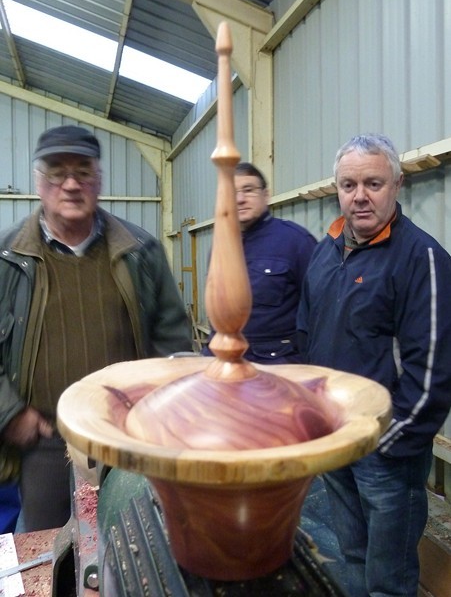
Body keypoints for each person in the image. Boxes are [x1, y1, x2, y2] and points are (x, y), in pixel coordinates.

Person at [0, 125, 192, 532]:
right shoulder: (7, 258)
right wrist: (11, 414)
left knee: (132, 540)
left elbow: (173, 342)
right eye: (57, 172)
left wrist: (162, 419)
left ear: (99, 180)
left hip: (128, 437)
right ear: (38, 182)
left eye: (83, 172)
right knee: (46, 547)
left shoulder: (140, 252)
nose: (71, 184)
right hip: (45, 441)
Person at [297, 133, 451, 596]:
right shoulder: (326, 250)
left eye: (373, 183)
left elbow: (434, 371)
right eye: (349, 185)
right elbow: (307, 330)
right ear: (337, 189)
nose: (360, 196)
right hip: (335, 435)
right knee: (353, 557)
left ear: (397, 185)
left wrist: (390, 440)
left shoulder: (422, 259)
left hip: (387, 451)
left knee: (389, 577)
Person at [202, 162, 317, 363]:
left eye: (248, 190)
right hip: (222, 359)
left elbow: (320, 311)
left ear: (266, 195)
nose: (240, 199)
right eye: (232, 193)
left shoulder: (296, 242)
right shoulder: (220, 246)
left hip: (275, 363)